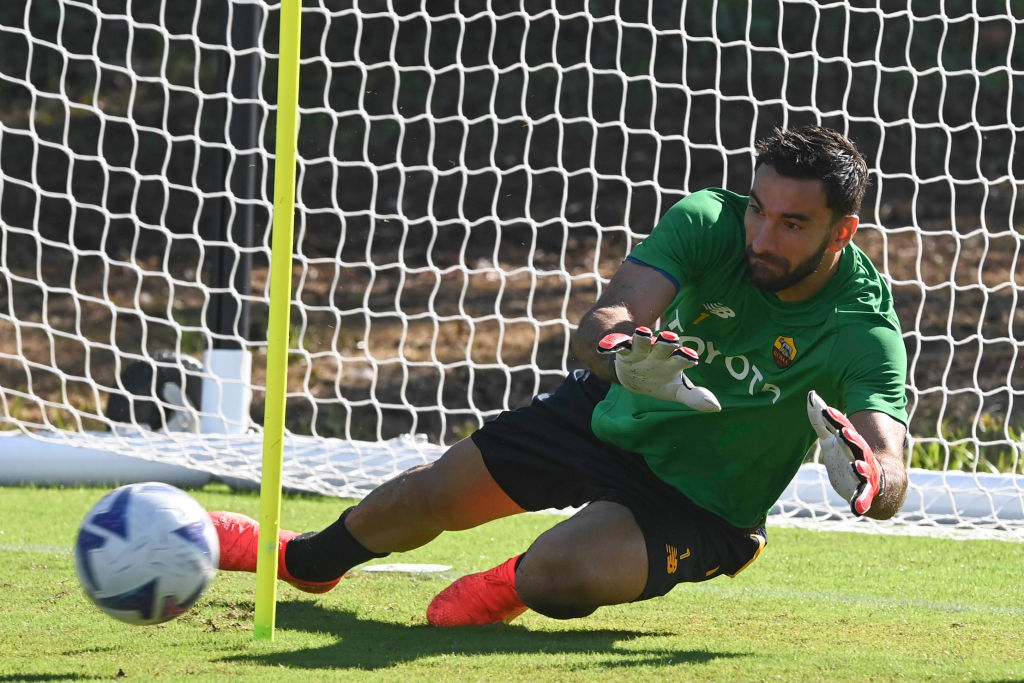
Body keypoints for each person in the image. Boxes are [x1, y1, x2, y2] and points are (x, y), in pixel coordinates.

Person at [211, 124, 909, 626]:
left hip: (702, 505)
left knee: (557, 574)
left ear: (841, 232)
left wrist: (870, 479)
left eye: (792, 224)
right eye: (758, 208)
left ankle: (510, 582)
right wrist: (625, 360)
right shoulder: (707, 222)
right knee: (426, 497)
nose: (761, 237)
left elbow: (890, 462)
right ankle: (302, 560)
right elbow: (605, 319)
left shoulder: (861, 327)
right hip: (606, 415)